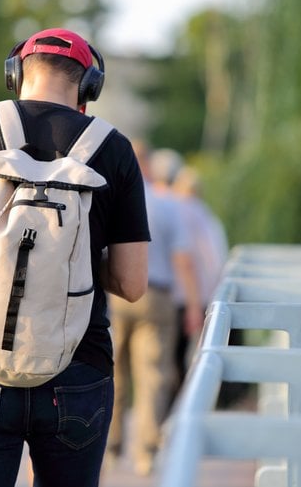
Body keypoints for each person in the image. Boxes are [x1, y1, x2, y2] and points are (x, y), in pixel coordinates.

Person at [0, 27, 149, 487]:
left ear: (15, 74)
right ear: (89, 86)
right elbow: (132, 283)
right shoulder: (114, 148)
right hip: (77, 365)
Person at [105, 142, 203, 476]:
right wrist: (193, 305)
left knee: (113, 371)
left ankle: (111, 446)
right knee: (153, 375)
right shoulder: (168, 204)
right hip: (157, 295)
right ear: (148, 166)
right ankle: (145, 451)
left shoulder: (112, 197)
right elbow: (183, 261)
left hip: (115, 293)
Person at [170, 164, 228, 388]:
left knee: (173, 354)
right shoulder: (206, 216)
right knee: (192, 353)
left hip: (174, 293)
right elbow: (216, 259)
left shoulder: (173, 210)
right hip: (200, 294)